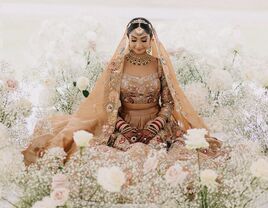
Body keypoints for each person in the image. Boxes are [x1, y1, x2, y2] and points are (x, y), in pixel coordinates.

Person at [22, 17, 222, 166]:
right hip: (123, 123)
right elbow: (109, 104)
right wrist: (123, 126)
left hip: (157, 124)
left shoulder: (159, 65)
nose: (138, 45)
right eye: (134, 40)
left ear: (151, 39)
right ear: (127, 39)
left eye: (143, 40)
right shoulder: (117, 66)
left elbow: (169, 102)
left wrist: (156, 125)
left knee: (157, 159)